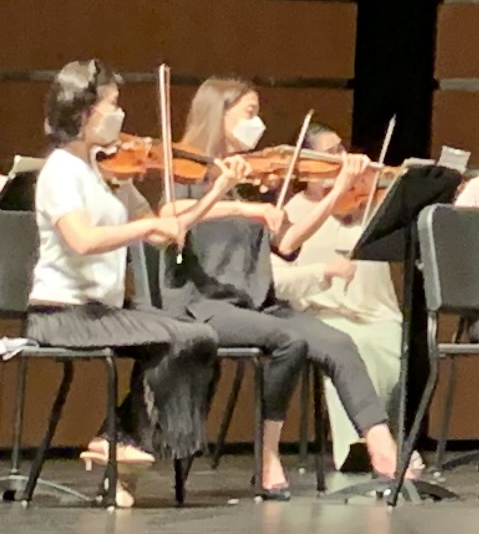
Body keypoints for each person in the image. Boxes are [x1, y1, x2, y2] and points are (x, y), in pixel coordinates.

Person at [168, 77, 402, 498]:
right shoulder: (185, 170)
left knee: (339, 343)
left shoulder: (253, 179)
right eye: (249, 113)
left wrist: (337, 192)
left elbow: (288, 242)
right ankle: (268, 454)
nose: (257, 124)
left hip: (257, 301)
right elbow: (173, 214)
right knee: (288, 340)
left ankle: (382, 446)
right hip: (205, 303)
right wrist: (240, 204)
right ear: (219, 113)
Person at [25, 58, 224, 500]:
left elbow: (164, 232)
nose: (120, 114)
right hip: (63, 312)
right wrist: (143, 226)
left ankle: (122, 445)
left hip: (105, 310)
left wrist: (216, 192)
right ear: (83, 111)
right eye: (111, 104)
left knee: (201, 337)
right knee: (181, 340)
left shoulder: (108, 173)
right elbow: (82, 240)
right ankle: (120, 439)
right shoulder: (60, 170)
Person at [265, 121, 406, 474]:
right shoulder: (293, 213)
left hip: (377, 313)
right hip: (323, 313)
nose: (342, 159)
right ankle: (360, 445)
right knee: (350, 343)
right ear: (307, 167)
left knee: (397, 344)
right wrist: (322, 272)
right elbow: (277, 282)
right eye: (330, 155)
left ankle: (390, 438)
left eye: (342, 150)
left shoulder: (369, 204)